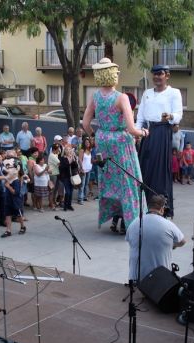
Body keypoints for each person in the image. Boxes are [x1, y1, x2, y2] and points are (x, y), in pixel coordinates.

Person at [82, 58, 147, 229]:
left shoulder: (95, 96)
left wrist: (96, 136)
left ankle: (115, 216)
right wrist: (144, 132)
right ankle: (131, 220)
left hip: (103, 140)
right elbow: (132, 129)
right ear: (113, 75)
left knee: (110, 181)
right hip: (120, 142)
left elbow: (85, 124)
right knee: (129, 181)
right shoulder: (121, 97)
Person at [135, 64, 183, 218]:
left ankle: (162, 207)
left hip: (163, 131)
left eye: (160, 74)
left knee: (160, 170)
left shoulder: (174, 93)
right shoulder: (147, 93)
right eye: (154, 74)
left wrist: (170, 116)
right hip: (147, 132)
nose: (156, 77)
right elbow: (141, 115)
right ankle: (144, 206)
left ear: (167, 75)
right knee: (145, 169)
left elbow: (178, 114)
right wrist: (136, 132)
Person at [125, 194, 185, 281]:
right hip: (158, 283)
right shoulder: (168, 224)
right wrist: (172, 245)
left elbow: (128, 239)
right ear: (162, 209)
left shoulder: (135, 222)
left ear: (149, 207)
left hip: (135, 279)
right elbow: (182, 241)